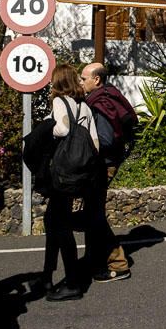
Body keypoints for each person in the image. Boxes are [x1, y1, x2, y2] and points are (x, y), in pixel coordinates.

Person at [41, 62, 99, 302]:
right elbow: (94, 141)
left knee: (60, 225)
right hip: (81, 174)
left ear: (57, 82)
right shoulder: (84, 106)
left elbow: (63, 130)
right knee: (53, 220)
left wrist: (47, 127)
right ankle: (47, 276)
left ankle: (73, 283)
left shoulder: (59, 102)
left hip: (62, 175)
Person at [80, 62, 135, 283]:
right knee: (93, 212)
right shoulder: (107, 96)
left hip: (103, 164)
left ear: (97, 80)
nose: (81, 82)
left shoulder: (100, 104)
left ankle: (118, 265)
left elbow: (104, 139)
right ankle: (94, 258)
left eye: (84, 79)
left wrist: (83, 149)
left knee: (94, 215)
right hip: (106, 162)